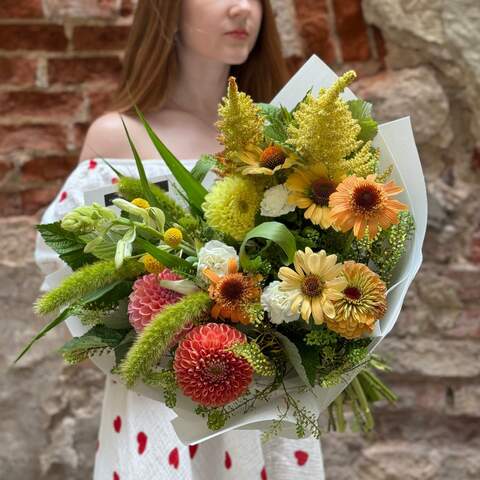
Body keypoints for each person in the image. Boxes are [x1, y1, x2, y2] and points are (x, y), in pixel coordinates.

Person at [36, 1, 326, 478]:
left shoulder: (278, 141)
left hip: (265, 392)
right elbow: (64, 263)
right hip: (159, 397)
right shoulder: (117, 137)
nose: (242, 9)